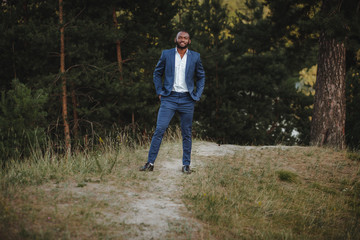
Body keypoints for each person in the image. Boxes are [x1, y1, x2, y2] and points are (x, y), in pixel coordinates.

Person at [139, 31, 205, 174]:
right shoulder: (166, 54)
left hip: (188, 99)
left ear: (189, 41)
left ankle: (186, 165)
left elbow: (201, 77)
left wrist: (197, 95)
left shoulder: (195, 57)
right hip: (169, 98)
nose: (182, 40)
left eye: (185, 38)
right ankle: (150, 163)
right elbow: (157, 73)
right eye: (180, 37)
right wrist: (159, 91)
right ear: (175, 39)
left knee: (187, 133)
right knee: (159, 130)